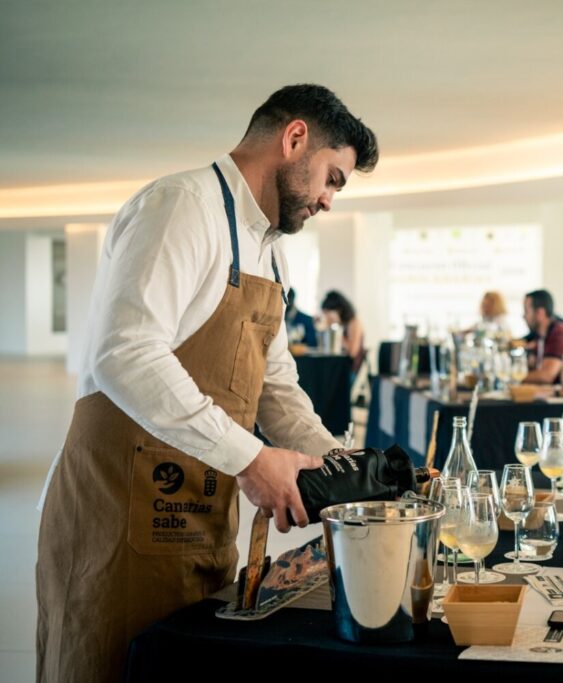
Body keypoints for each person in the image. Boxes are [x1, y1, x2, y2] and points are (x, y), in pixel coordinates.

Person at [36, 84, 378, 683]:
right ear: (294, 138)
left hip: (202, 519)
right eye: (332, 178)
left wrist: (343, 469)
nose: (328, 200)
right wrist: (251, 459)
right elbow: (125, 352)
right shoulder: (182, 206)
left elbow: (277, 386)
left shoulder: (272, 255)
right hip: (118, 514)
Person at [522, 289, 563, 384]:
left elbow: (546, 376)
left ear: (540, 313)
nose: (523, 316)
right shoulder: (540, 335)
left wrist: (512, 377)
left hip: (558, 395)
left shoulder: (559, 333)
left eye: (526, 311)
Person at [320, 289, 365, 369]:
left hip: (352, 370)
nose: (327, 317)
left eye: (328, 312)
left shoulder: (353, 323)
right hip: (341, 366)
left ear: (339, 310)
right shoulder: (341, 325)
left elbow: (352, 352)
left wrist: (334, 332)